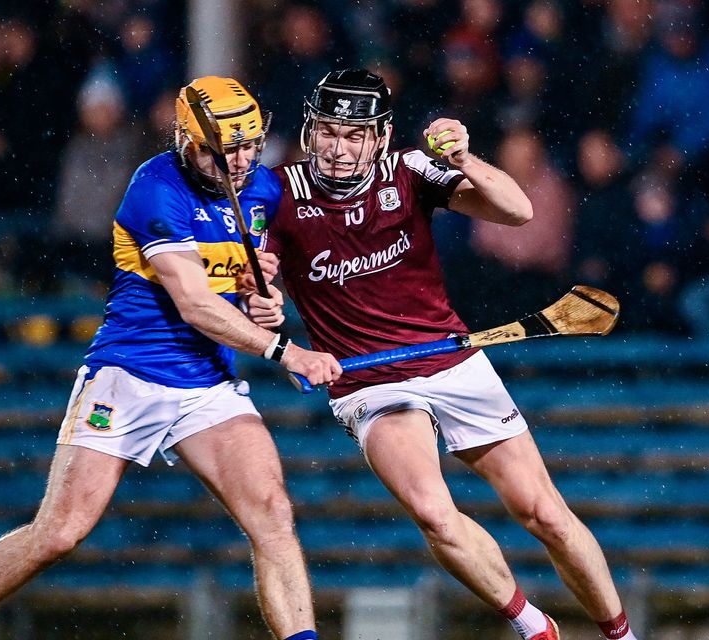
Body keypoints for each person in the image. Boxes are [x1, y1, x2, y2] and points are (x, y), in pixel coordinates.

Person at [0, 76, 341, 640]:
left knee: (274, 515)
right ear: (187, 141)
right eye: (224, 149)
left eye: (249, 145)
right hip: (128, 375)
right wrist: (288, 352)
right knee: (60, 531)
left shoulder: (262, 189)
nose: (240, 161)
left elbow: (250, 277)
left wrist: (263, 299)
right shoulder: (156, 188)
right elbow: (194, 304)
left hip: (207, 384)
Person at [255, 69, 640, 640]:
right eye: (329, 132)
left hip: (451, 360)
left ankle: (622, 636)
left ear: (380, 138)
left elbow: (518, 212)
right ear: (311, 131)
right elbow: (254, 290)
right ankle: (536, 628)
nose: (338, 148)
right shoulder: (275, 190)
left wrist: (466, 159)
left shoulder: (410, 170)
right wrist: (264, 304)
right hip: (369, 384)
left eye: (354, 135)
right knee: (435, 514)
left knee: (545, 514)